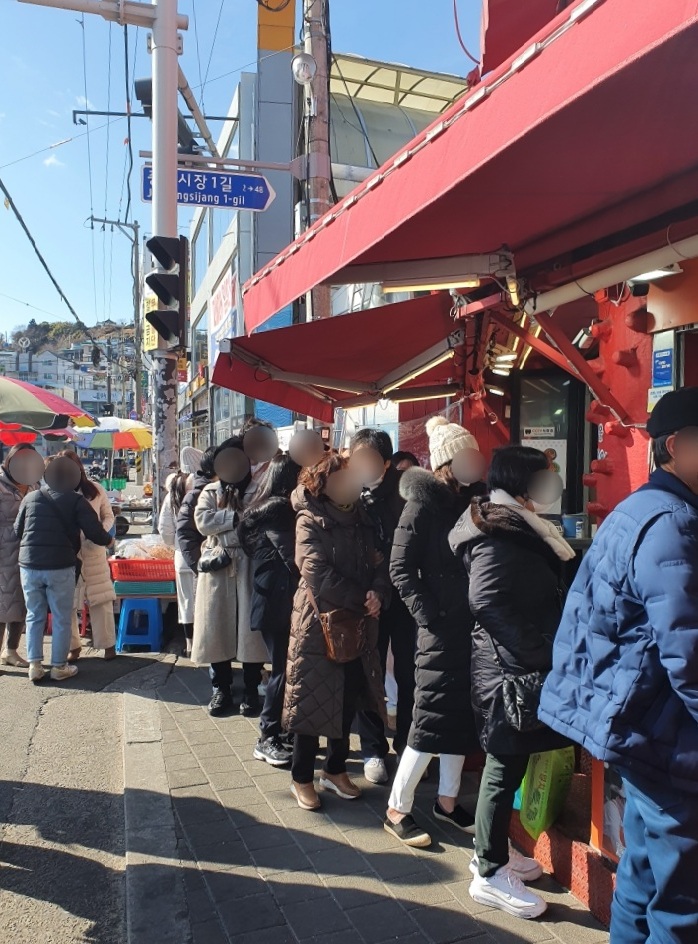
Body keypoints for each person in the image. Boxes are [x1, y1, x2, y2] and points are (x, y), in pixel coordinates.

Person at [539, 386, 698, 944]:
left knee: (642, 870)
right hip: (666, 735)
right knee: (682, 901)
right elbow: (688, 650)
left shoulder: (639, 508)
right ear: (675, 446)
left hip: (638, 728)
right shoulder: (673, 522)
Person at [450, 445, 574, 920]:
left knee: (510, 761)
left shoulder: (516, 523)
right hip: (507, 669)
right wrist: (539, 651)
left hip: (512, 664)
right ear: (522, 483)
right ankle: (488, 872)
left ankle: (492, 848)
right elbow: (485, 600)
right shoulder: (497, 532)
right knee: (503, 765)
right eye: (544, 476)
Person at [386, 417, 484, 848]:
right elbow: (400, 569)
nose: (475, 462)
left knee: (459, 716)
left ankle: (447, 801)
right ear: (447, 461)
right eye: (466, 455)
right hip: (440, 629)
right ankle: (397, 808)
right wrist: (430, 615)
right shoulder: (421, 505)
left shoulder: (474, 501)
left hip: (472, 625)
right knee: (429, 719)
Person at [284, 453, 390, 811]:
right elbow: (315, 571)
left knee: (349, 697)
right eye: (341, 479)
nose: (349, 484)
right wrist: (362, 598)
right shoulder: (309, 518)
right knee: (312, 700)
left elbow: (380, 561)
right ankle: (301, 777)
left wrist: (378, 592)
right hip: (318, 622)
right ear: (323, 484)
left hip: (357, 620)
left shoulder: (363, 516)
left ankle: (334, 769)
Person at [348, 428, 416, 785]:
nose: (360, 464)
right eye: (355, 457)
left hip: (403, 598)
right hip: (365, 600)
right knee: (369, 673)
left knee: (408, 674)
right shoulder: (347, 492)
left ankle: (406, 744)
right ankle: (373, 749)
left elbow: (406, 550)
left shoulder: (405, 495)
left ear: (386, 463)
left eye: (368, 458)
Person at [16, 457, 113, 683]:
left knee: (34, 615)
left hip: (29, 566)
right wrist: (109, 541)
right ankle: (59, 666)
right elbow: (94, 531)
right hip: (59, 565)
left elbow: (17, 531)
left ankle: (35, 666)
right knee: (61, 616)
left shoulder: (31, 497)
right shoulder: (76, 500)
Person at [192, 439, 269, 717]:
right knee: (216, 629)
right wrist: (236, 519)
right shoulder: (210, 490)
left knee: (251, 633)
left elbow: (259, 523)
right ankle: (221, 689)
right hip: (219, 566)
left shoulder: (260, 489)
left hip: (249, 564)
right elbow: (202, 522)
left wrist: (225, 522)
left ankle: (251, 690)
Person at [238, 455, 301, 766]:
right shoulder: (280, 509)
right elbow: (294, 559)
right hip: (277, 602)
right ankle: (267, 736)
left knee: (285, 670)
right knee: (282, 671)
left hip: (273, 600)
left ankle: (281, 730)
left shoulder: (267, 508)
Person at [61, 451, 117, 661]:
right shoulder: (56, 492)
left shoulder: (95, 489)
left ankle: (108, 644)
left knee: (101, 598)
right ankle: (73, 647)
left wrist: (100, 532)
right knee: (67, 601)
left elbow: (108, 515)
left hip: (94, 550)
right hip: (68, 552)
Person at [0, 444, 38, 669]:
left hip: (29, 552)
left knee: (22, 603)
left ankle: (11, 651)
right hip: (4, 552)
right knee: (3, 604)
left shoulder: (34, 485)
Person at [159, 469, 196, 658]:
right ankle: (207, 645)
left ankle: (190, 645)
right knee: (207, 602)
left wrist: (176, 545)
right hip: (206, 556)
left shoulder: (172, 497)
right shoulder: (204, 492)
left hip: (182, 557)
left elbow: (164, 529)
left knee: (186, 603)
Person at [177, 446, 217, 573]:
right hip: (207, 568)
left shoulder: (234, 491)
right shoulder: (195, 495)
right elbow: (185, 533)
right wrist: (200, 567)